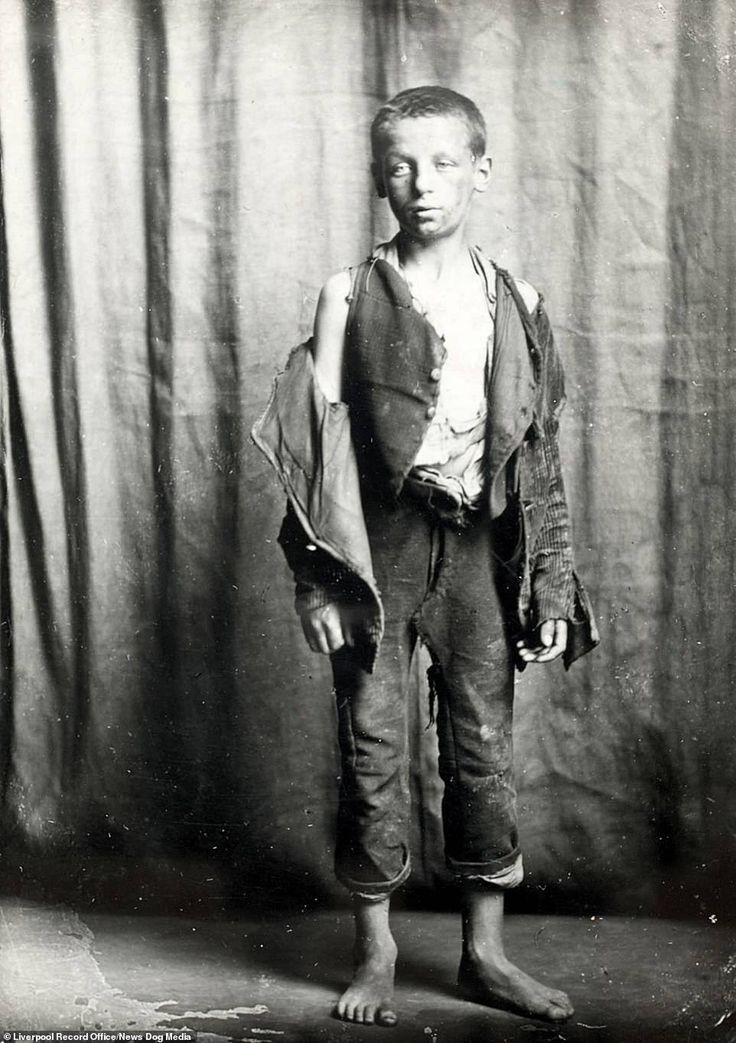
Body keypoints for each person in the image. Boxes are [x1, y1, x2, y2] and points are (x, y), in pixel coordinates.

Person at [252, 85, 598, 1029]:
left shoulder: (515, 299)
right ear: (378, 178)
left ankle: (486, 953)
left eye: (445, 163)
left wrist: (551, 580)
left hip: (482, 548)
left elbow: (536, 452)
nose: (423, 185)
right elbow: (311, 452)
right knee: (371, 747)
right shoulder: (349, 294)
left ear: (481, 169)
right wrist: (318, 577)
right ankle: (377, 948)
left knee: (483, 749)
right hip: (379, 549)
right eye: (401, 165)